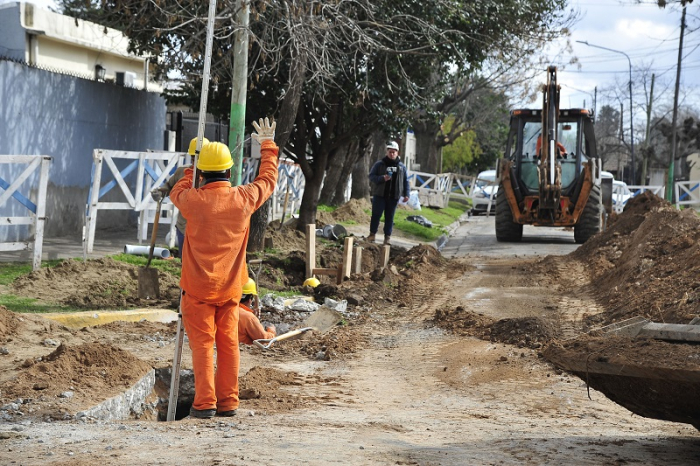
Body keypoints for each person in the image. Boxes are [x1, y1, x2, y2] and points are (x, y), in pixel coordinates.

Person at [170, 118, 278, 419]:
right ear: (230, 171)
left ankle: (204, 404)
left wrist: (192, 162)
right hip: (230, 292)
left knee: (203, 346)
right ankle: (228, 402)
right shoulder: (243, 199)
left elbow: (177, 189)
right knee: (229, 345)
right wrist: (267, 147)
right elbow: (268, 180)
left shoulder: (192, 200)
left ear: (202, 174)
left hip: (197, 290)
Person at [150, 137, 209, 255]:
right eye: (193, 158)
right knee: (185, 262)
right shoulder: (182, 172)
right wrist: (160, 193)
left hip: (204, 229)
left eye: (198, 158)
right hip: (183, 226)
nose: (194, 161)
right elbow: (169, 187)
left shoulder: (211, 176)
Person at [367, 141, 409, 245]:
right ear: (387, 152)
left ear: (397, 153)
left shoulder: (402, 167)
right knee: (376, 215)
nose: (392, 154)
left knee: (389, 217)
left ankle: (387, 238)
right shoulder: (379, 164)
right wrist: (381, 178)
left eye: (394, 152)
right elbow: (371, 176)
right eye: (390, 152)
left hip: (393, 197)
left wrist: (406, 194)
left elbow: (405, 181)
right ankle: (372, 235)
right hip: (380, 196)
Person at [238, 278, 276, 345]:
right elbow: (263, 340)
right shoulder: (248, 317)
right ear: (250, 300)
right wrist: (272, 332)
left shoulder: (224, 310)